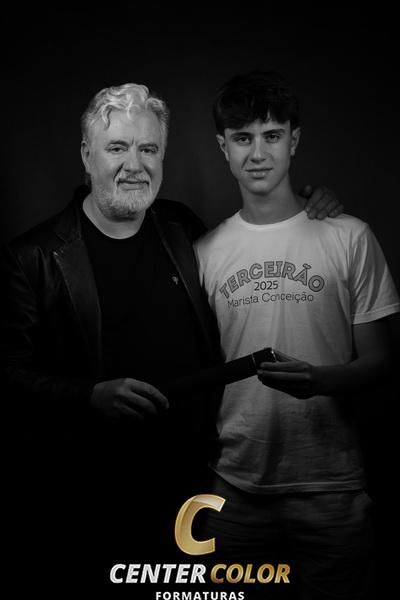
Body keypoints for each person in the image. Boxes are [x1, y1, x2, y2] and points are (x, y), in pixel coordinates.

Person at [1, 82, 341, 590]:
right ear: (86, 156)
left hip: (191, 482)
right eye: (117, 147)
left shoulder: (181, 227)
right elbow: (9, 375)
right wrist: (88, 396)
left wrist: (313, 204)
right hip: (88, 490)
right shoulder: (32, 257)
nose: (134, 164)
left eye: (148, 148)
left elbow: (255, 242)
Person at [195, 70, 400, 599]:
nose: (257, 153)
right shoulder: (204, 253)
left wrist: (320, 380)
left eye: (272, 135)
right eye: (242, 137)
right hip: (235, 486)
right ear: (223, 147)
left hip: (331, 485)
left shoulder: (348, 236)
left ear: (295, 139)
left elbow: (381, 359)